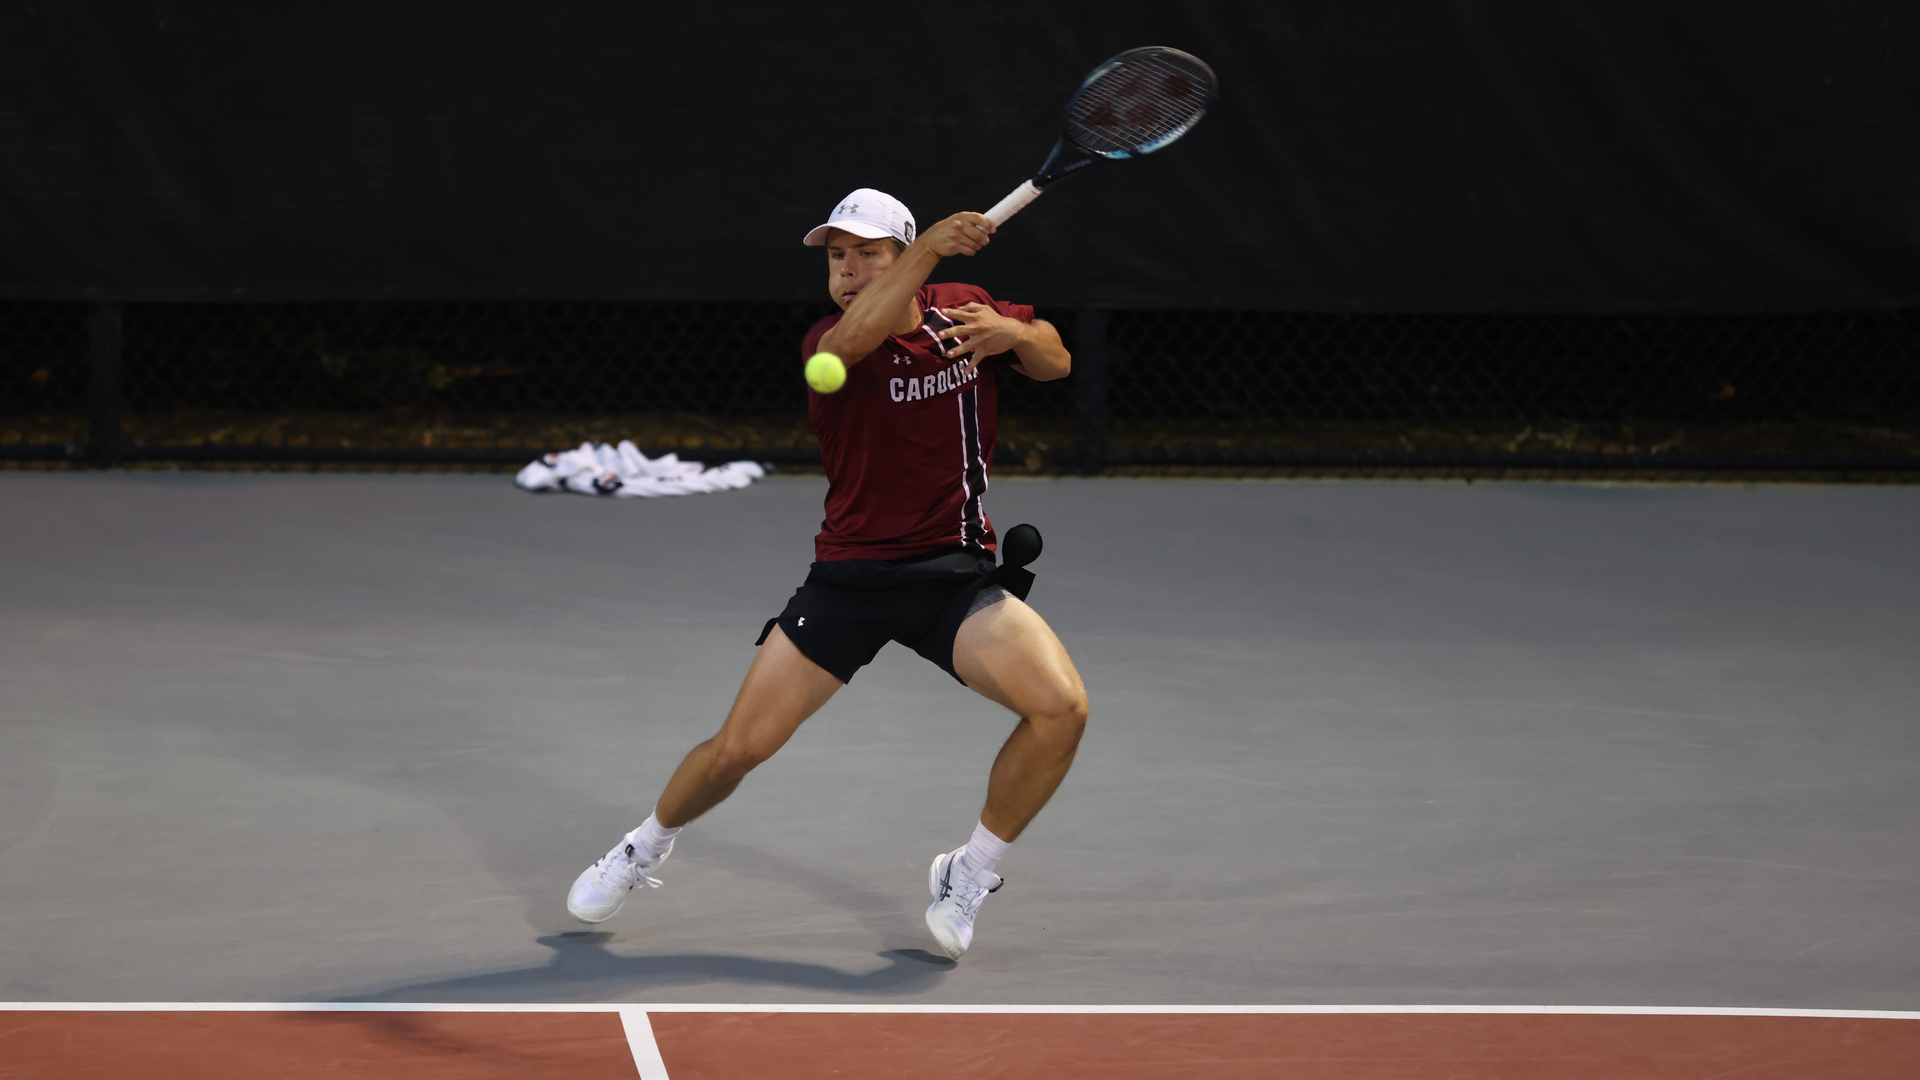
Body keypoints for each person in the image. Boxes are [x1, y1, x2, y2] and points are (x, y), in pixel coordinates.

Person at [565, 188, 1088, 960]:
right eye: (837, 257)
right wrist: (927, 249)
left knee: (1061, 709)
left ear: (898, 254)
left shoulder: (962, 309)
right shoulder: (830, 341)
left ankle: (970, 871)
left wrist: (1013, 332)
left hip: (953, 575)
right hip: (850, 580)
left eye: (866, 254)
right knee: (738, 750)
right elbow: (851, 345)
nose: (846, 270)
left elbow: (1056, 361)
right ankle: (643, 846)